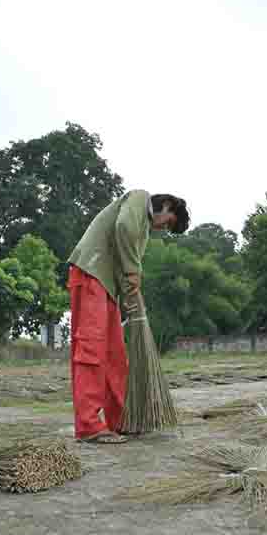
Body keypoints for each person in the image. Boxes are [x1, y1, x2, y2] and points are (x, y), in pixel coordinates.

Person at [66, 190, 190, 444]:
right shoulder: (139, 199)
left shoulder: (143, 229)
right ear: (166, 205)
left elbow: (127, 266)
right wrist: (134, 272)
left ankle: (122, 420)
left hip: (108, 285)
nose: (163, 228)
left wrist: (134, 301)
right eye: (168, 222)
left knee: (115, 354)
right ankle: (89, 426)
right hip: (91, 273)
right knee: (91, 350)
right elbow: (123, 227)